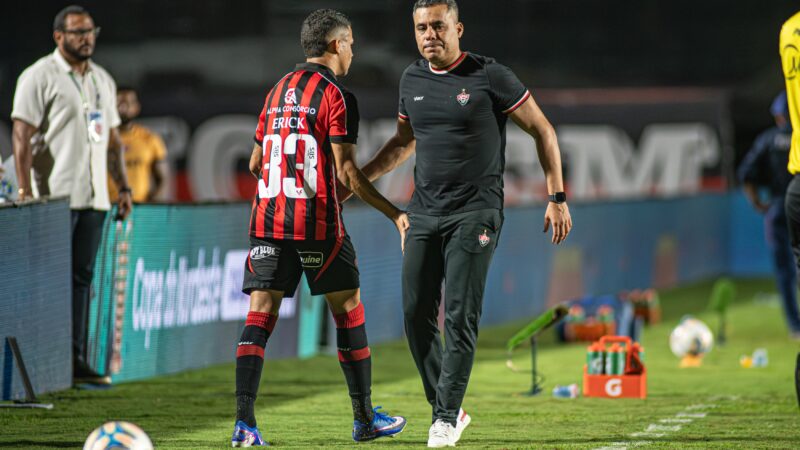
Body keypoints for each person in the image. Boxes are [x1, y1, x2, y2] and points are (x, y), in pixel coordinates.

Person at [351, 1, 572, 447]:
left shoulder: (490, 76)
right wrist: (354, 181)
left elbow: (543, 130)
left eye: (437, 25)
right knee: (415, 317)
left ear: (458, 28)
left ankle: (445, 418)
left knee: (459, 316)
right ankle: (449, 407)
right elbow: (401, 144)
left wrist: (557, 196)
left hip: (477, 212)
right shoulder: (411, 80)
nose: (429, 34)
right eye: (420, 27)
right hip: (423, 214)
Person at [231, 9, 410, 447]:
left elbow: (256, 163)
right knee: (348, 308)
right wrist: (395, 213)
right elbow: (347, 172)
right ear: (336, 44)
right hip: (317, 227)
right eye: (350, 42)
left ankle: (244, 425)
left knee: (260, 315)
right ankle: (365, 420)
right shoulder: (336, 95)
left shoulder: (276, 91)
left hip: (268, 223)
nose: (353, 51)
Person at [11, 5, 132, 385]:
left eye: (90, 30)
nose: (87, 38)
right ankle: (39, 364)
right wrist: (26, 188)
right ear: (58, 36)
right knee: (49, 281)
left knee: (82, 280)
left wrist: (123, 186)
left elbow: (113, 141)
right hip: (54, 197)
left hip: (94, 198)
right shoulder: (38, 75)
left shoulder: (102, 79)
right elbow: (21, 134)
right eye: (77, 32)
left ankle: (74, 362)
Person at [739, 92, 800, 338]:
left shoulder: (768, 140)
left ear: (778, 115)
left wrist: (757, 202)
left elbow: (746, 174)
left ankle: (795, 325)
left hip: (777, 208)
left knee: (784, 269)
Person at [108, 87, 168, 203]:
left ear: (136, 108)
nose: (123, 107)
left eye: (128, 102)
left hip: (140, 206)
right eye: (119, 102)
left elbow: (162, 179)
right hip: (108, 207)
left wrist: (153, 200)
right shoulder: (102, 139)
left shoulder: (149, 138)